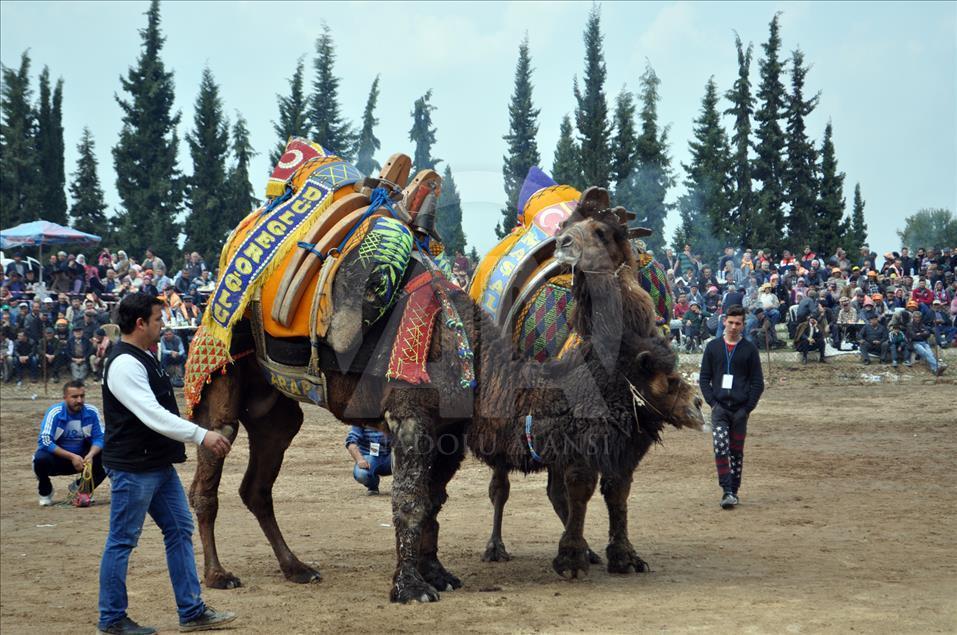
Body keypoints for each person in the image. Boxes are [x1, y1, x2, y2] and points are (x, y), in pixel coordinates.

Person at [97, 293, 236, 634]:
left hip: (155, 464)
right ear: (140, 323)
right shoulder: (126, 363)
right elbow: (153, 416)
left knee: (179, 531)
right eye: (158, 319)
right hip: (134, 467)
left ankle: (191, 611)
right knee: (122, 540)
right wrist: (202, 435)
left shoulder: (141, 356)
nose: (164, 325)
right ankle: (111, 619)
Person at [698, 305, 764, 509]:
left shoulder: (749, 349)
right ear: (724, 321)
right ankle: (726, 490)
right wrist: (713, 403)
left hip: (740, 410)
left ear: (743, 325)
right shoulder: (713, 347)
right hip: (720, 409)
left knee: (736, 451)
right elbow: (704, 379)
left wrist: (747, 409)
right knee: (720, 447)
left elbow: (757, 383)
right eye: (731, 322)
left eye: (738, 323)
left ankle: (734, 491)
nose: (734, 326)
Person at [33, 380, 107, 506]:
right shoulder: (54, 412)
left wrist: (91, 455)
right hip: (58, 459)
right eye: (74, 397)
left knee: (109, 456)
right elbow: (44, 440)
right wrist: (72, 457)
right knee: (40, 459)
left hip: (83, 458)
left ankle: (82, 488)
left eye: (82, 396)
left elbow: (100, 437)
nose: (79, 400)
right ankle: (45, 490)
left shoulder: (92, 411)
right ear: (65, 398)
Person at [345, 425, 392, 495]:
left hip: (391, 456)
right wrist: (360, 460)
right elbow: (351, 442)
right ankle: (373, 486)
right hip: (370, 456)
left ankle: (402, 488)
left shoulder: (396, 417)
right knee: (361, 474)